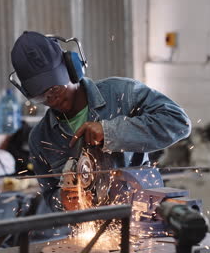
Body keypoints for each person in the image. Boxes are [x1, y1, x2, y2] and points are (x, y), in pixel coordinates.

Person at [10, 31, 191, 211]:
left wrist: (110, 132)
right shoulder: (41, 138)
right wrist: (63, 201)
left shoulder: (121, 94)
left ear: (72, 69)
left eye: (55, 89)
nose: (52, 100)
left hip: (141, 216)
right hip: (89, 231)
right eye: (42, 97)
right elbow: (50, 195)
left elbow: (178, 123)